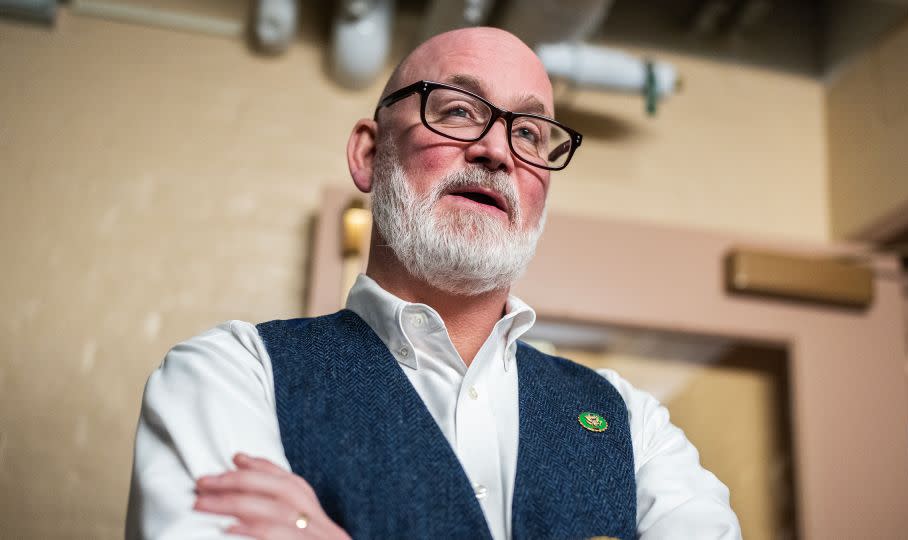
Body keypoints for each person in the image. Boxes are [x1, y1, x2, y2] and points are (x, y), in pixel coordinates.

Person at [125, 26, 741, 540]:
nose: (497, 150)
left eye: (528, 132)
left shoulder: (635, 428)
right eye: (457, 110)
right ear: (369, 155)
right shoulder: (228, 377)